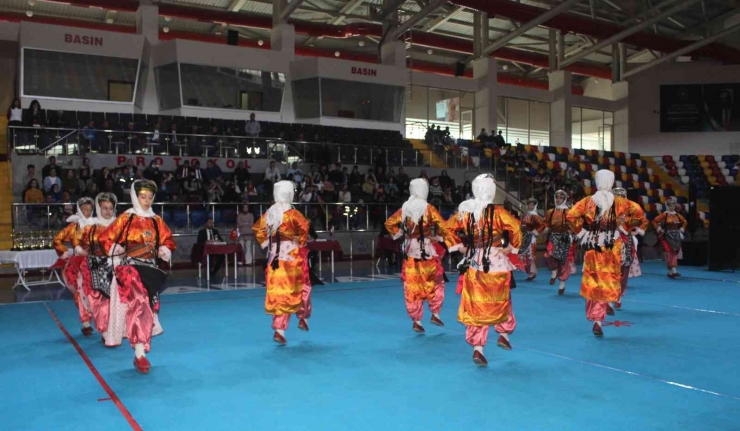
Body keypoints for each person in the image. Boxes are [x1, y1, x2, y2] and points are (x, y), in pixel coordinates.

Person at [444, 174, 521, 366]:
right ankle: (503, 334)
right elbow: (516, 228)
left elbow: (446, 228)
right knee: (502, 300)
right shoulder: (498, 212)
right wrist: (512, 247)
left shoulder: (466, 211)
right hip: (496, 261)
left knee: (475, 304)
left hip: (474, 261)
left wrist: (458, 246)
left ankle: (478, 349)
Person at [100, 179, 176, 374]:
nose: (147, 201)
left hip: (150, 269)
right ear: (135, 196)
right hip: (129, 268)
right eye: (143, 197)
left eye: (150, 197)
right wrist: (118, 248)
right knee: (140, 304)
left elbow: (168, 239)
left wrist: (163, 249)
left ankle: (139, 350)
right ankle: (141, 353)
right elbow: (106, 238)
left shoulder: (156, 220)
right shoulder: (126, 218)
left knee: (147, 307)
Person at [566, 170, 633, 337]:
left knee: (594, 279)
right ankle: (609, 301)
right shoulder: (619, 202)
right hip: (613, 243)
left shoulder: (588, 201)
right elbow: (637, 215)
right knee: (610, 277)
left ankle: (597, 320)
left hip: (594, 241)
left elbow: (570, 216)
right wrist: (624, 227)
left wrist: (581, 233)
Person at [384, 179, 456, 333]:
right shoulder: (428, 208)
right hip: (427, 252)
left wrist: (400, 233)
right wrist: (443, 239)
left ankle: (417, 320)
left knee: (412, 286)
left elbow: (389, 223)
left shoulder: (405, 208)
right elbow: (444, 228)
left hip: (411, 252)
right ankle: (435, 313)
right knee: (437, 282)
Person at [253, 180, 311, 345]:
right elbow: (304, 229)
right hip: (292, 259)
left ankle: (280, 330)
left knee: (280, 295)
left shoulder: (270, 213)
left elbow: (258, 229)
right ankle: (303, 317)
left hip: (274, 258)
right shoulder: (293, 214)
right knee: (303, 287)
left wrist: (267, 243)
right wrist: (299, 241)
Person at [55, 197, 96, 336]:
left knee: (97, 292)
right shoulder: (74, 226)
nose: (87, 212)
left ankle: (103, 322)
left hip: (95, 263)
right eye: (85, 209)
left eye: (90, 209)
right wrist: (64, 252)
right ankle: (85, 322)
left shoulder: (97, 224)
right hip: (78, 264)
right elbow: (57, 239)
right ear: (79, 209)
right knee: (81, 291)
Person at [611, 187, 648, 310]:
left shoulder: (633, 207)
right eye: (617, 196)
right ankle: (609, 297)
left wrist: (637, 232)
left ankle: (618, 297)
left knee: (624, 270)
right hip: (610, 240)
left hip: (626, 241)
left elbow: (644, 220)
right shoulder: (606, 208)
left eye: (622, 196)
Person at [544, 190, 576, 295]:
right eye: (556, 197)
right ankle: (553, 272)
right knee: (549, 254)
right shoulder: (550, 212)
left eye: (561, 198)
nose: (558, 200)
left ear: (564, 199)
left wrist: (572, 231)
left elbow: (574, 224)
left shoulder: (569, 212)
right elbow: (546, 223)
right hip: (553, 237)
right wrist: (546, 229)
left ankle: (562, 284)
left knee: (563, 261)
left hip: (564, 238)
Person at [652, 197, 688, 279]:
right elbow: (654, 221)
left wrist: (682, 228)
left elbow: (685, 222)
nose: (672, 207)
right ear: (667, 206)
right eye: (670, 206)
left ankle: (670, 271)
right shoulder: (664, 214)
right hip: (667, 235)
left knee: (675, 251)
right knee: (671, 251)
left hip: (676, 235)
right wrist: (659, 229)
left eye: (673, 206)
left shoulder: (677, 215)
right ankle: (674, 269)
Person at [521, 197, 544, 281]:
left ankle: (532, 272)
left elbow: (542, 225)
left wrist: (534, 232)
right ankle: (529, 271)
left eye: (532, 205)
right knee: (525, 255)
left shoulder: (535, 216)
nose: (530, 206)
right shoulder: (524, 215)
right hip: (524, 236)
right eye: (529, 204)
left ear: (535, 206)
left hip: (531, 238)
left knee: (531, 254)